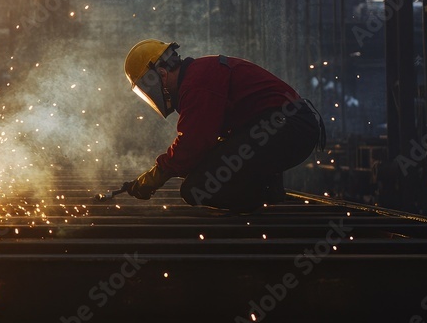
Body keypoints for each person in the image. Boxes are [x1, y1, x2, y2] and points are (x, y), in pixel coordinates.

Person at [123, 39, 324, 212]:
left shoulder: (197, 82)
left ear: (162, 73)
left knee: (197, 187)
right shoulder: (197, 75)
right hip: (283, 127)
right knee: (204, 172)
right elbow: (200, 149)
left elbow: (193, 144)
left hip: (289, 129)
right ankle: (267, 189)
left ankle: (259, 197)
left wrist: (156, 176)